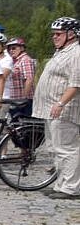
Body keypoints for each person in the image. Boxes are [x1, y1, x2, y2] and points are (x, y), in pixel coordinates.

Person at [35, 16, 80, 200]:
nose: (54, 37)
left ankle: (71, 188)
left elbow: (75, 83)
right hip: (50, 108)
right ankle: (61, 184)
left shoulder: (76, 53)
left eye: (58, 34)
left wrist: (61, 103)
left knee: (67, 148)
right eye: (53, 34)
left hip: (65, 110)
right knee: (55, 149)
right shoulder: (61, 52)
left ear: (71, 34)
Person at [4, 37, 37, 122]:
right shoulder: (15, 61)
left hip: (24, 102)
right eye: (9, 49)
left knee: (24, 126)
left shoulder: (25, 60)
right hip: (16, 101)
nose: (11, 51)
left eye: (14, 48)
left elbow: (29, 79)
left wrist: (24, 98)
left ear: (22, 48)